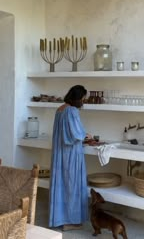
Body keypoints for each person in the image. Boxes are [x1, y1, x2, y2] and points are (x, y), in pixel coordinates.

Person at [49, 85, 92, 231]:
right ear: (78, 98)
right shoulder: (71, 111)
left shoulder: (60, 109)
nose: (83, 101)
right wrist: (86, 135)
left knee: (62, 184)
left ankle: (60, 218)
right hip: (71, 154)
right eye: (83, 98)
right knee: (72, 185)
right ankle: (70, 221)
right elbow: (75, 134)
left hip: (59, 153)